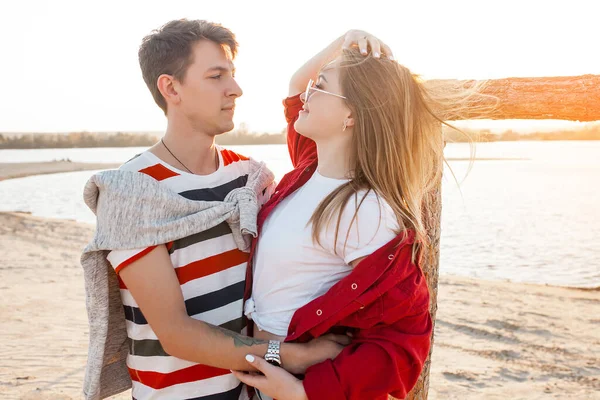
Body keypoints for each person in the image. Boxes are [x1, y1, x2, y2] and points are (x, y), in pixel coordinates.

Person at [81, 20, 365, 400]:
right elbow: (176, 333)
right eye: (216, 76)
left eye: (232, 74)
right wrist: (295, 355)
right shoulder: (131, 192)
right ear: (171, 88)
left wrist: (345, 42)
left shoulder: (251, 178)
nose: (236, 89)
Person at [232, 31, 449, 400]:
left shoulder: (365, 209)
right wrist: (344, 41)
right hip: (267, 368)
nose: (306, 95)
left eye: (321, 87)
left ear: (351, 114)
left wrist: (305, 394)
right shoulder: (309, 168)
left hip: (295, 384)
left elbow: (404, 338)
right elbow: (295, 85)